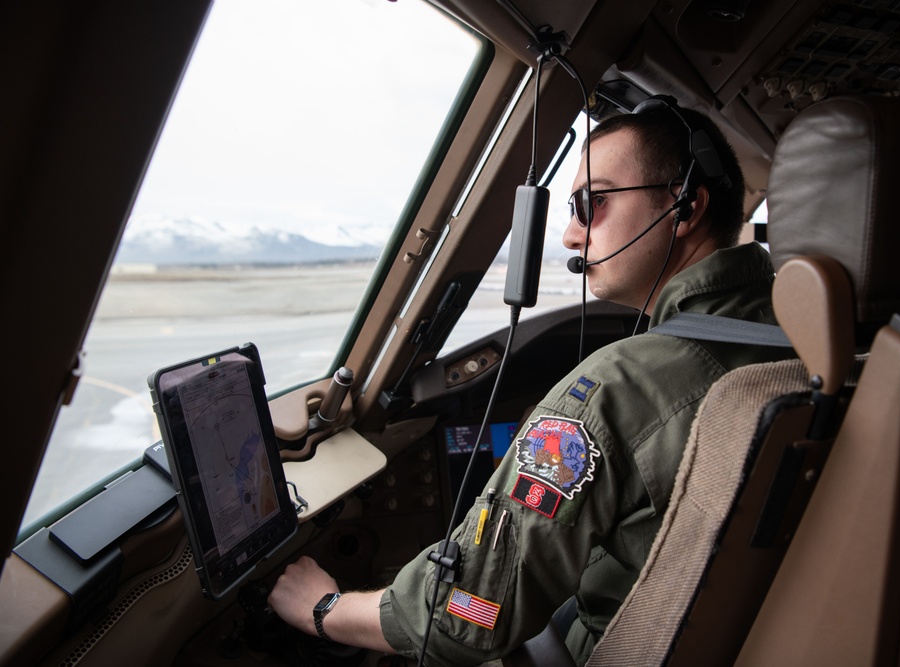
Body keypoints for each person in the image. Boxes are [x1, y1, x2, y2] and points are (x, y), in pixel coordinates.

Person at [268, 102, 791, 664]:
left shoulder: (617, 389)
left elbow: (470, 612)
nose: (569, 235)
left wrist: (323, 609)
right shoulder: (813, 339)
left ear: (685, 205)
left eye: (593, 203)